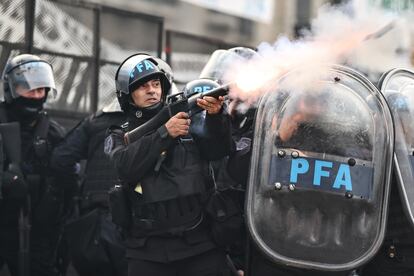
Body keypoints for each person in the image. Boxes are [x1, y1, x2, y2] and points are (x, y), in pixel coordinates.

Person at [105, 53, 232, 276]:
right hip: (146, 250)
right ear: (128, 95)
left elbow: (218, 151)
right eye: (143, 86)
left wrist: (216, 117)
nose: (152, 90)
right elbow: (124, 167)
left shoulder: (187, 121)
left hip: (199, 244)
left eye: (156, 84)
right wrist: (165, 134)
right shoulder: (119, 133)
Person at [0, 54, 74, 276]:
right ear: (12, 90)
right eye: (29, 90)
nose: (36, 95)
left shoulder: (53, 132)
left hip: (38, 230)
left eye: (40, 90)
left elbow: (68, 181)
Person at [50, 97, 127, 276]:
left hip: (91, 221)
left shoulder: (94, 122)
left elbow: (61, 159)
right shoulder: (154, 123)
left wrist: (77, 187)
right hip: (131, 225)